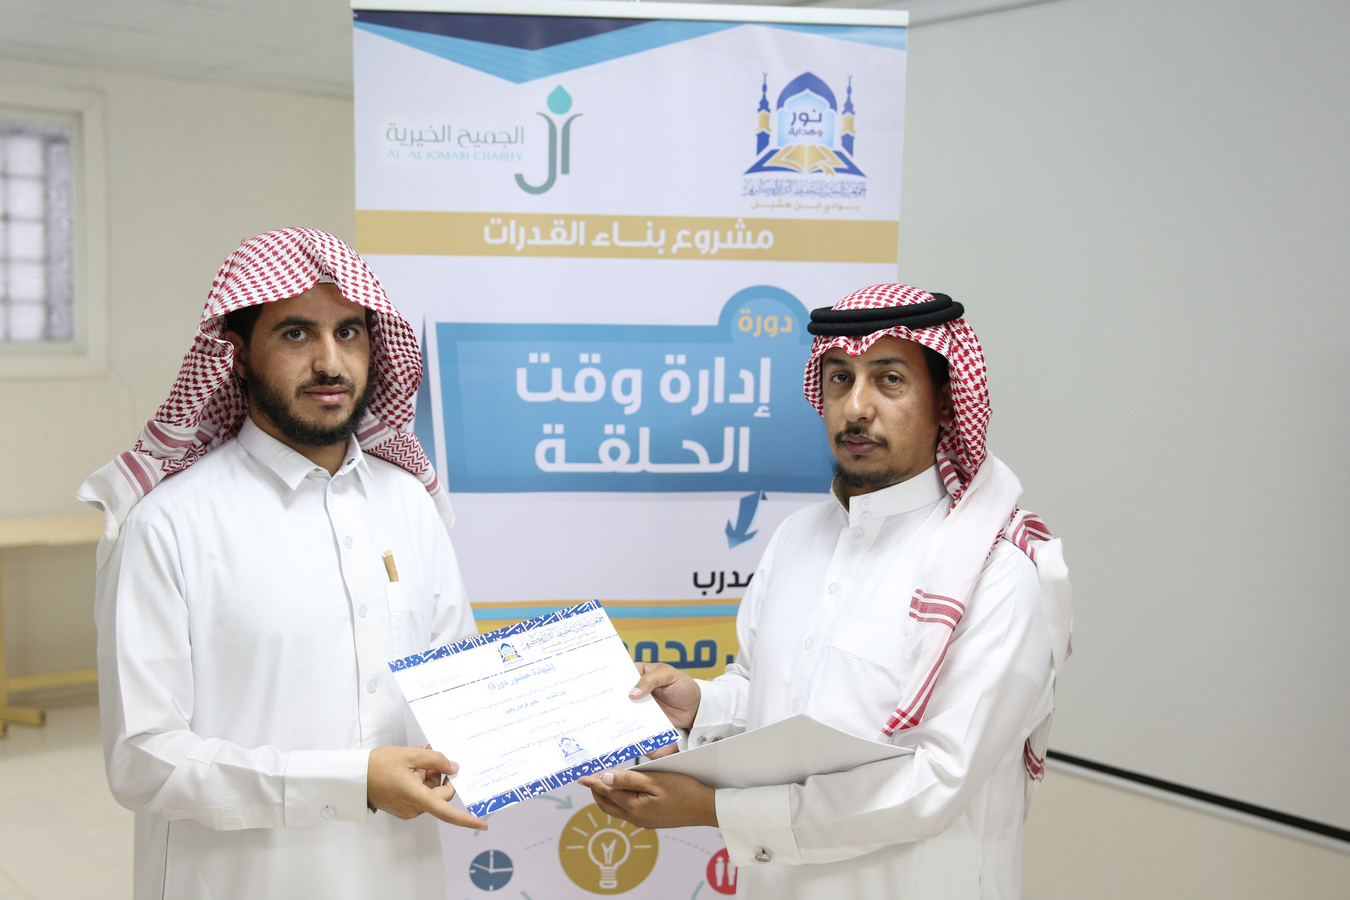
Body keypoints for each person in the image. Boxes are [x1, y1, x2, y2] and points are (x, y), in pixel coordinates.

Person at [581, 284, 1072, 899]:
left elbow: (936, 782)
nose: (856, 407)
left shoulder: (998, 571)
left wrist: (714, 809)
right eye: (840, 379)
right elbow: (770, 696)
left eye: (889, 380)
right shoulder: (797, 537)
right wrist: (701, 705)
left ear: (948, 402)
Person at [77, 228, 486, 900]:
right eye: (296, 334)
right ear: (236, 355)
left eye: (349, 333)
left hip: (399, 875)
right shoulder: (169, 523)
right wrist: (352, 783)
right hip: (238, 882)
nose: (331, 362)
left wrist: (573, 735)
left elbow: (458, 694)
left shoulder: (410, 503)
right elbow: (143, 758)